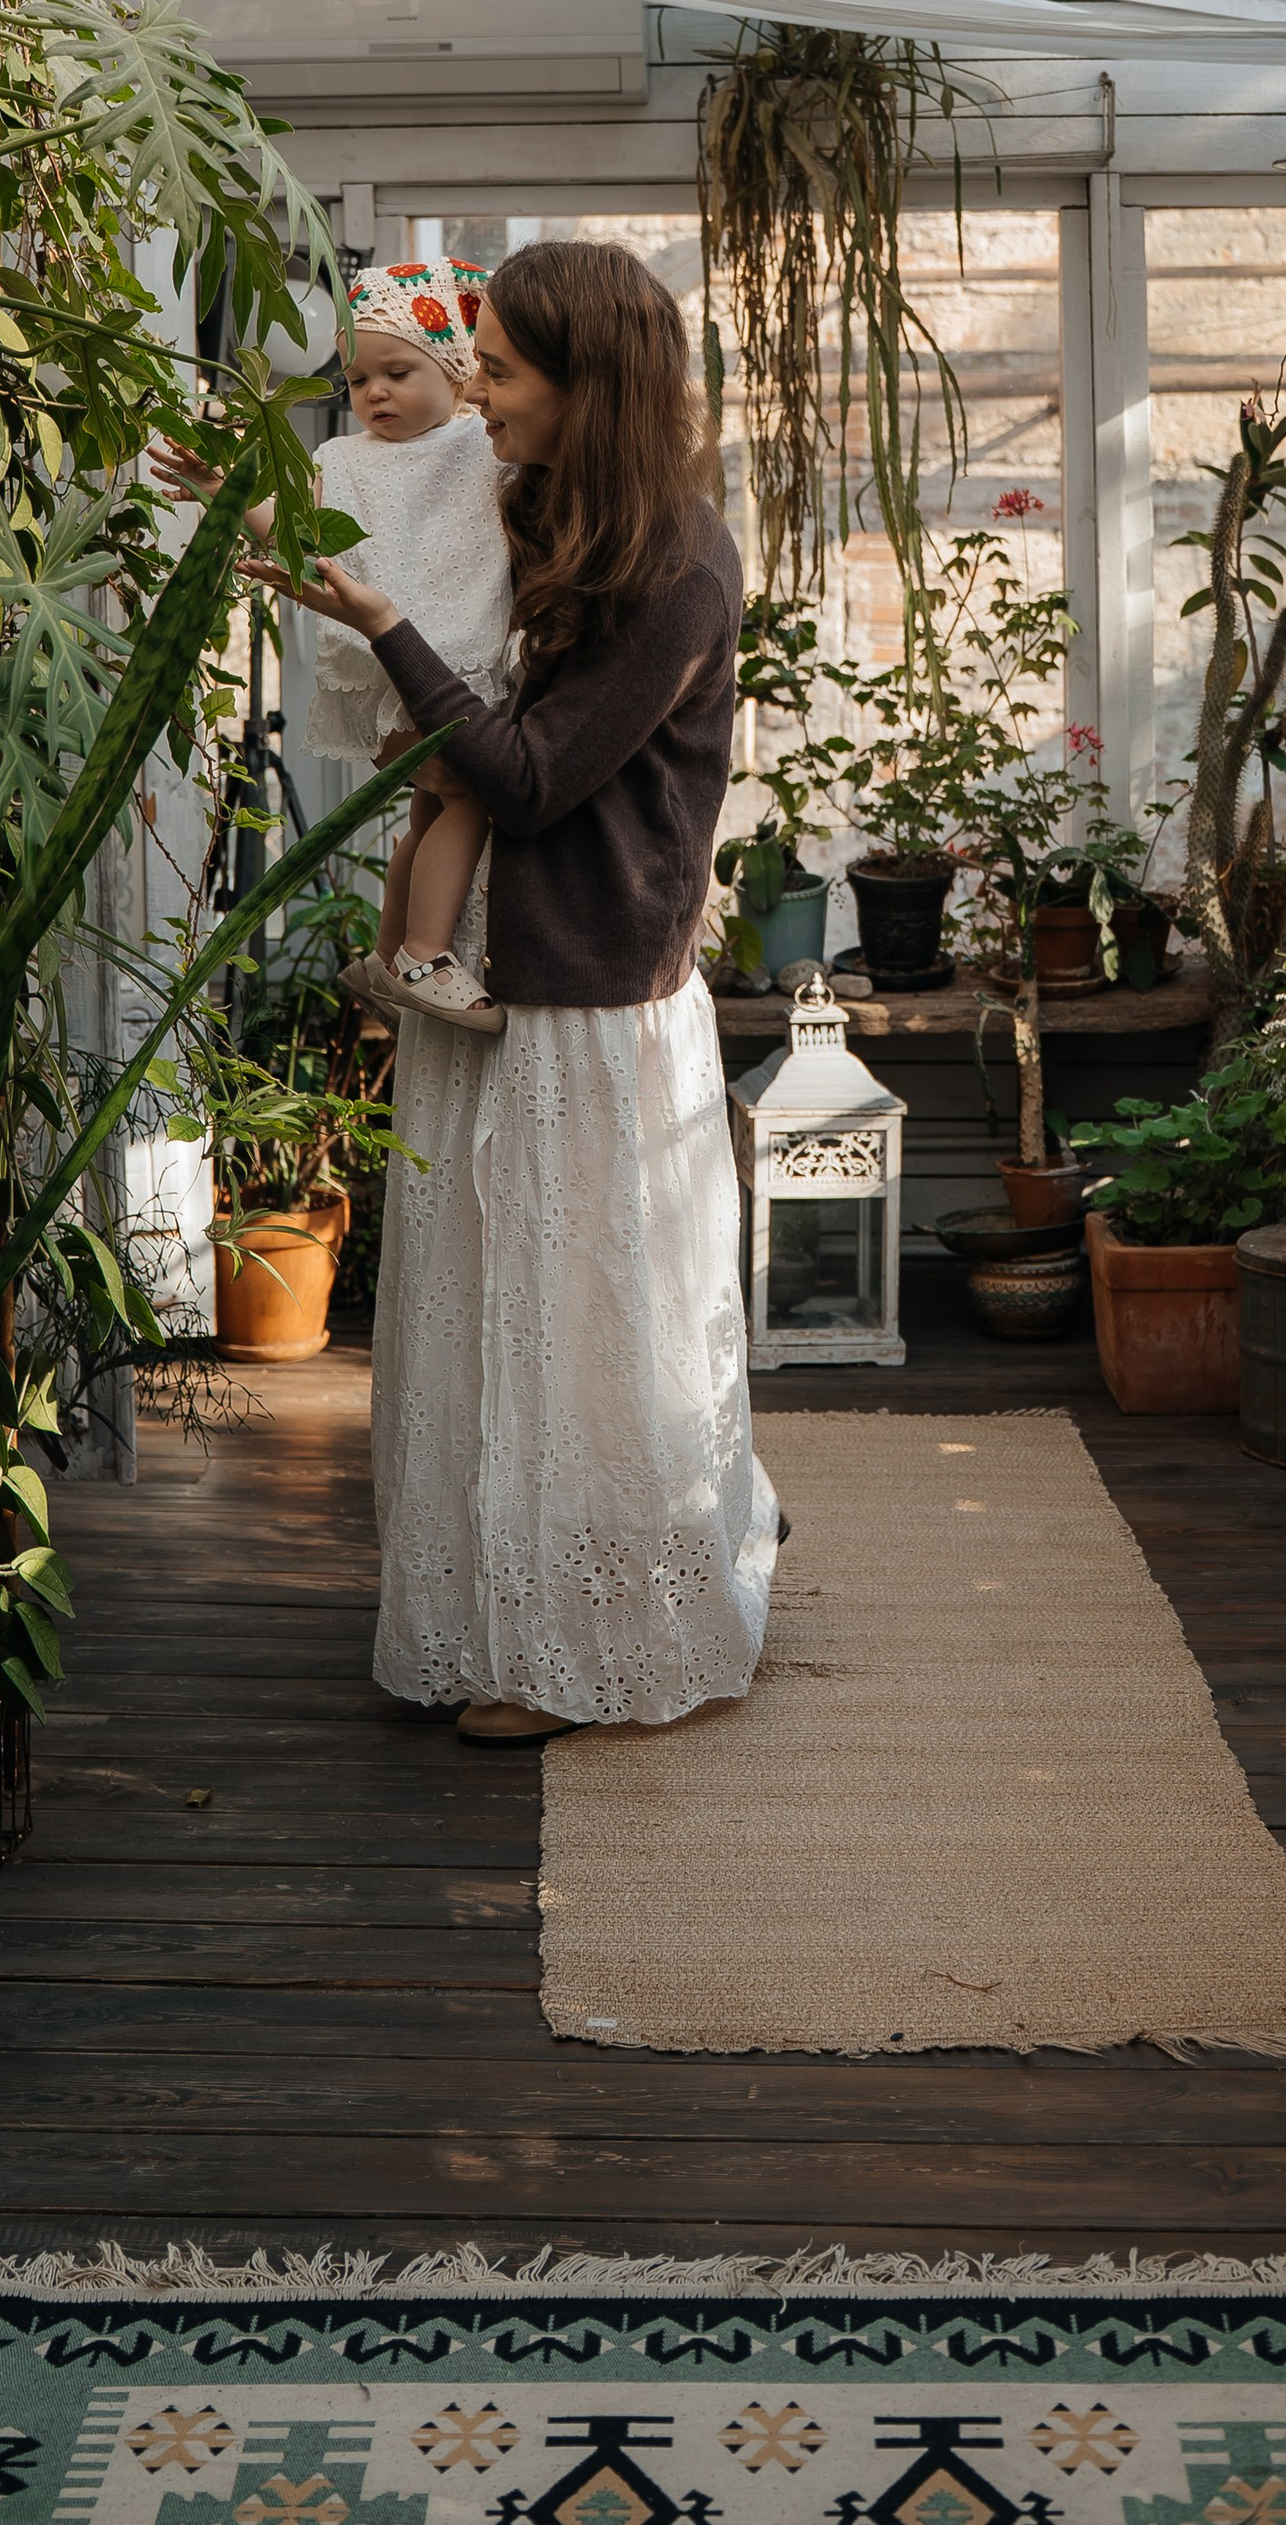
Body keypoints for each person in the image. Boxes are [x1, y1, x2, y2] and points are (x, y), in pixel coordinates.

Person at [256, 239, 779, 1748]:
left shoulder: (675, 566)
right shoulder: (538, 500)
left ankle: (580, 1642)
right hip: (495, 981)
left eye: (500, 369)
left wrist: (381, 629)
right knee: (494, 1322)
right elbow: (394, 487)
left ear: (586, 384)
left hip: (587, 1005)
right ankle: (511, 1604)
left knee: (579, 1340)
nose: (474, 395)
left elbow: (532, 778)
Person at [298, 260, 515, 1034]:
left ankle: (386, 957)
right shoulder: (344, 462)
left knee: (428, 816)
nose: (375, 393)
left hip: (429, 673)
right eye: (357, 380)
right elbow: (304, 540)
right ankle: (425, 953)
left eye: (397, 371)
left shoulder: (477, 442)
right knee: (472, 797)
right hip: (409, 673)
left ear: (457, 371)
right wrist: (231, 498)